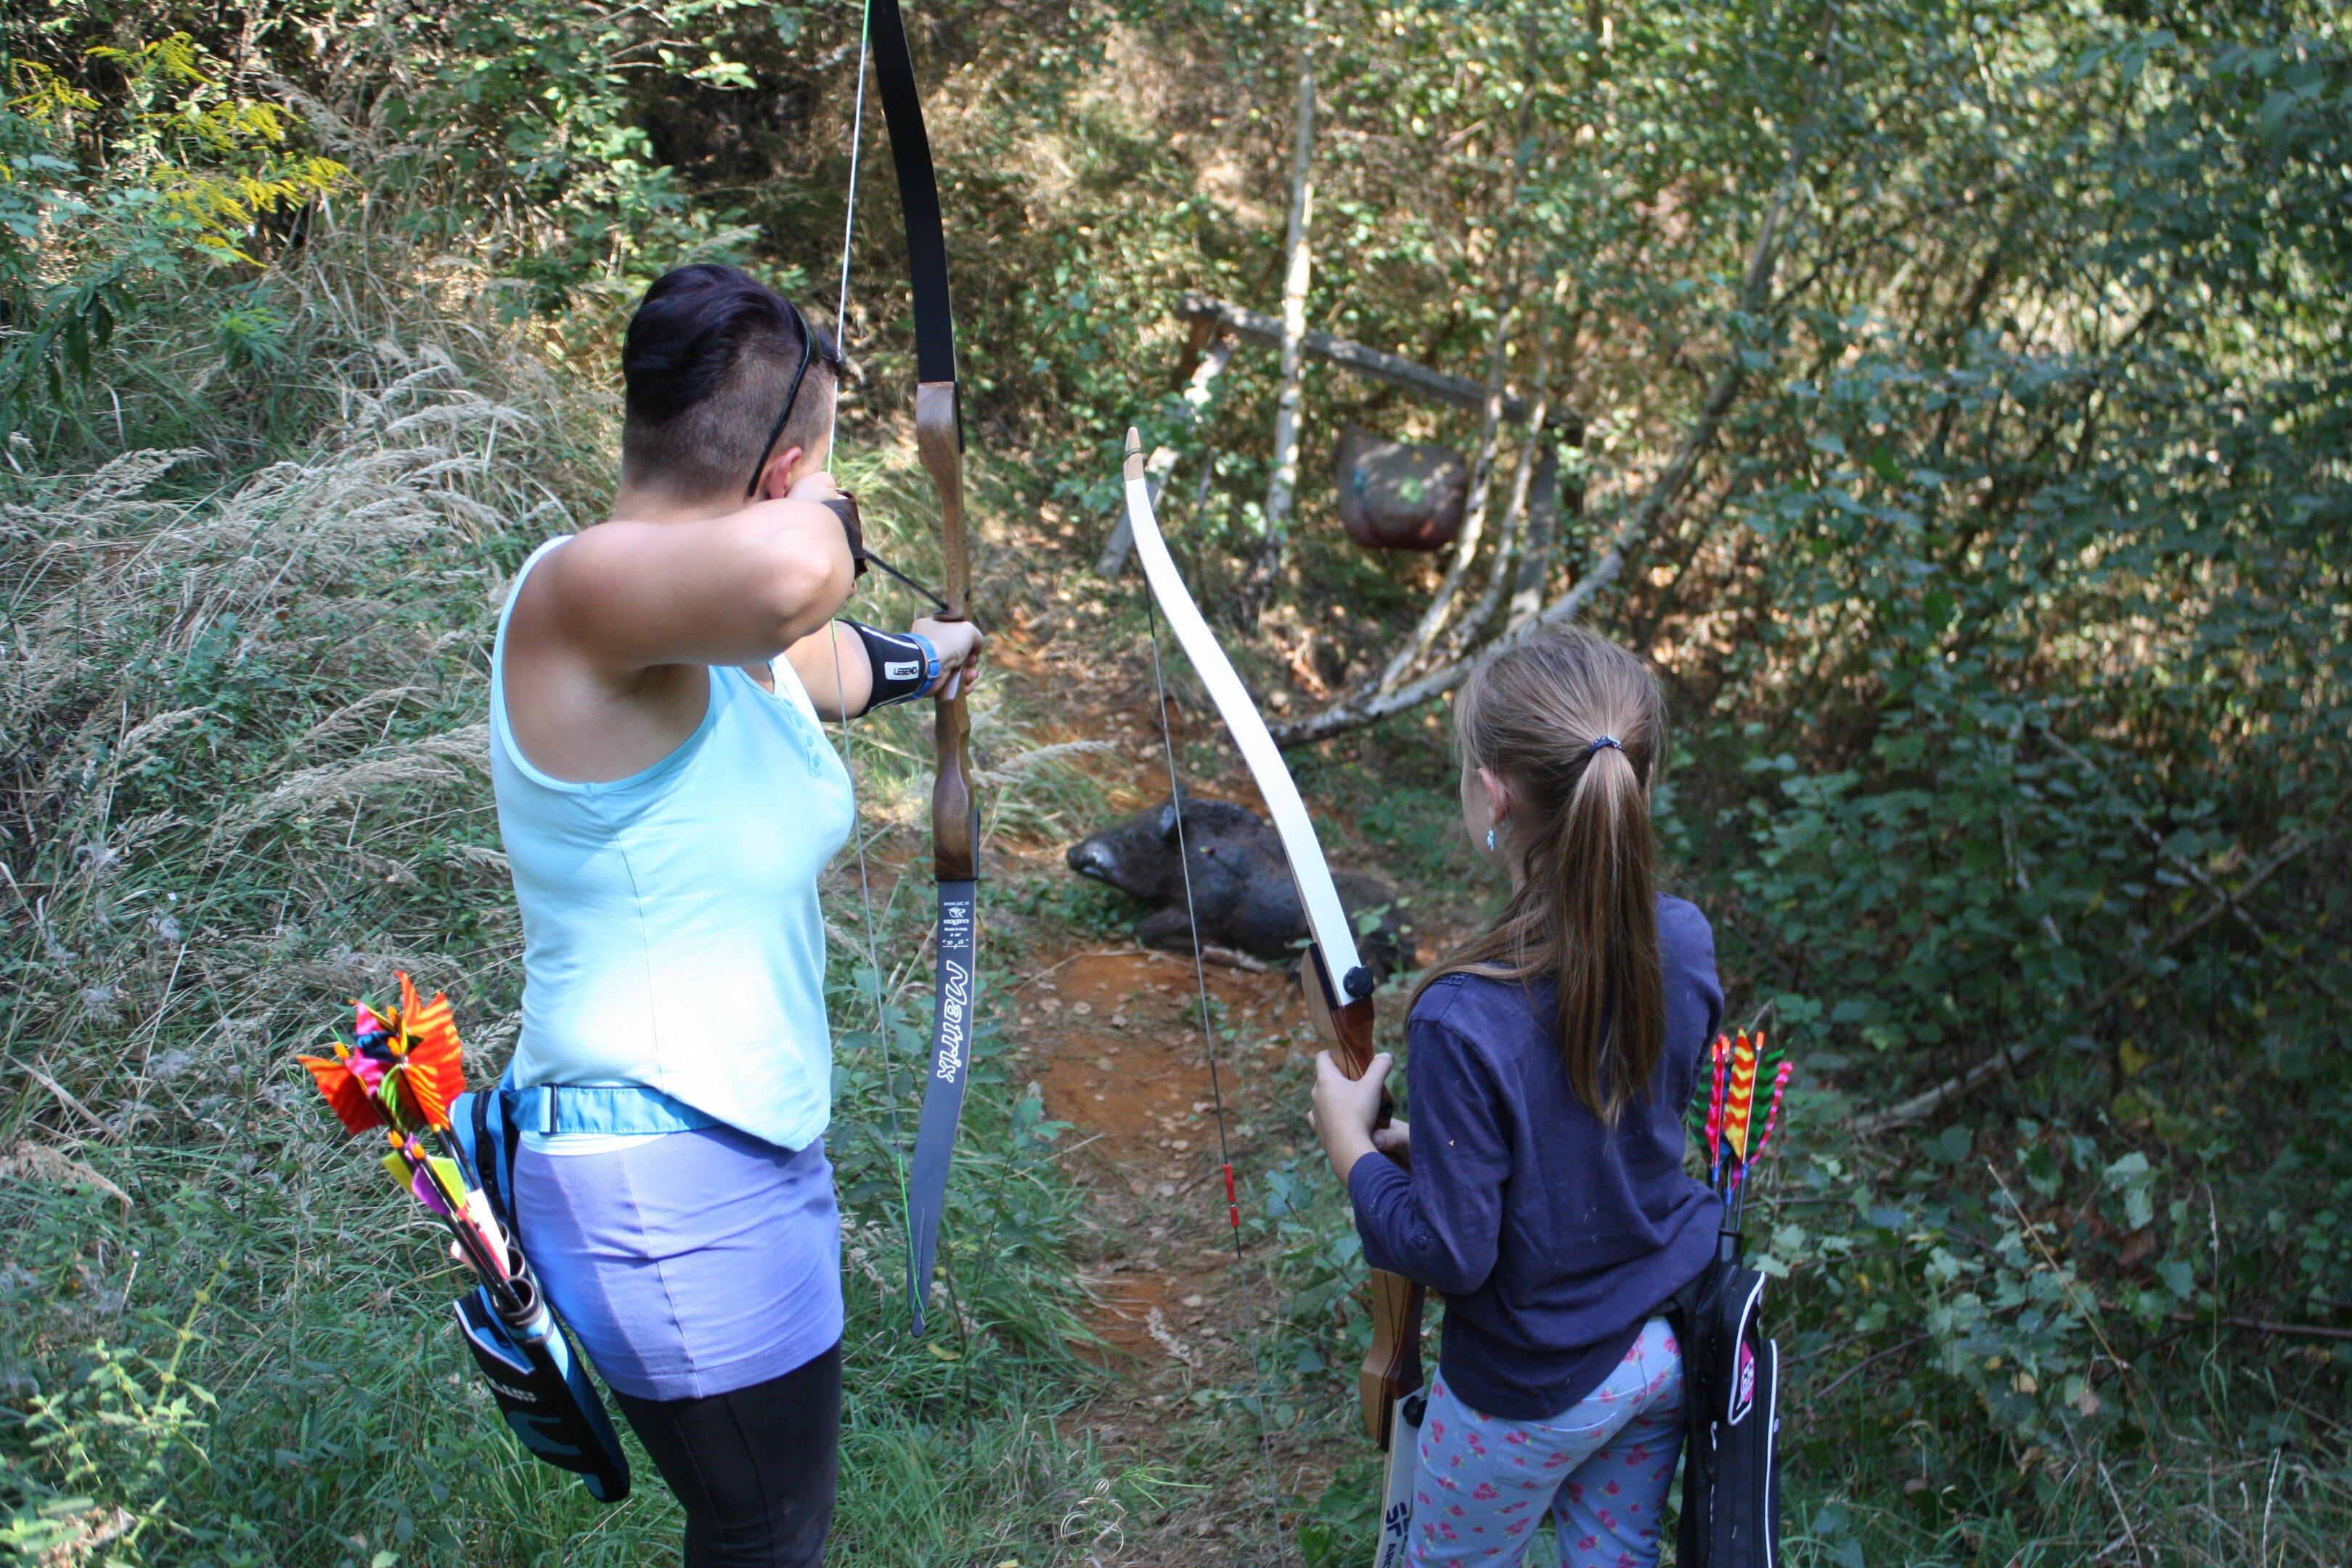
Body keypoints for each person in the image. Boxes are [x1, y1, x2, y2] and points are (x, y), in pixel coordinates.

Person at [487, 261, 982, 1567]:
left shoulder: (701, 624)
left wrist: (934, 657)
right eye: (813, 470)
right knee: (767, 1535)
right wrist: (821, 501)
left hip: (734, 1160)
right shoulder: (580, 591)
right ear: (782, 479)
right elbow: (786, 591)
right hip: (661, 1175)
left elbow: (814, 660)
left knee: (775, 1527)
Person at [1309, 625, 1723, 1568]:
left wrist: (1351, 1146)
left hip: (1522, 1401)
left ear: (1492, 793)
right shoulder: (1685, 940)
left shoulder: (1462, 1015)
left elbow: (1454, 1254)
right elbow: (1604, 1132)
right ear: (1638, 784)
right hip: (1654, 1358)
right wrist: (1439, 1146)